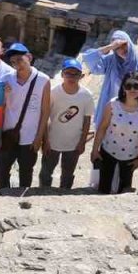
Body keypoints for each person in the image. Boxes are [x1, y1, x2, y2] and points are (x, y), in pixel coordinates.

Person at [0, 42, 51, 190]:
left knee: (26, 171)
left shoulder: (43, 80)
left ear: (29, 57)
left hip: (30, 136)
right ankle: (2, 196)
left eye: (20, 60)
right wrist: (4, 95)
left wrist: (40, 137)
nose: (17, 65)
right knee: (2, 170)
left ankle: (22, 197)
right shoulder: (6, 79)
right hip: (8, 133)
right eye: (13, 62)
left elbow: (45, 111)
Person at [91, 72, 138, 195]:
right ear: (123, 87)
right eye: (128, 85)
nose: (132, 89)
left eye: (136, 86)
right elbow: (102, 128)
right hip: (108, 151)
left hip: (130, 155)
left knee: (124, 190)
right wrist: (95, 150)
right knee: (103, 187)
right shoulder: (112, 105)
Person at [82, 30, 138, 126]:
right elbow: (88, 59)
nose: (122, 50)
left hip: (137, 114)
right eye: (117, 48)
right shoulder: (111, 62)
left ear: (130, 43)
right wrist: (110, 47)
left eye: (124, 45)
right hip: (113, 113)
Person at [40, 58, 93, 189]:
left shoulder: (86, 95)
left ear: (81, 76)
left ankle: (64, 194)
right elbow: (45, 116)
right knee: (46, 173)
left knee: (68, 174)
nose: (71, 77)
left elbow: (87, 120)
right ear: (62, 74)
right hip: (52, 141)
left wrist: (82, 142)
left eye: (75, 74)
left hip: (73, 143)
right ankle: (43, 193)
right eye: (68, 73)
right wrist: (45, 140)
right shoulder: (53, 92)